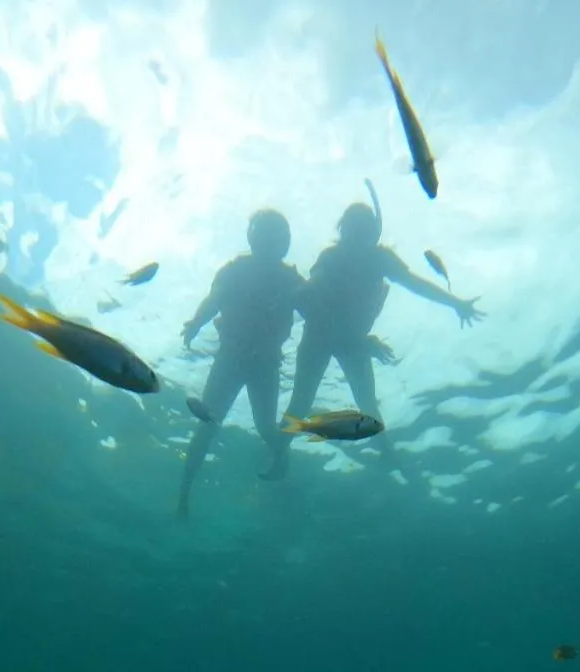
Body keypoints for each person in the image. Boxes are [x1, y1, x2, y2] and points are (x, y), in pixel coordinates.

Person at [261, 199, 485, 480]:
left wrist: (455, 303)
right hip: (322, 333)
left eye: (363, 232)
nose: (357, 240)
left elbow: (415, 284)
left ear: (372, 234)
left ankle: (387, 455)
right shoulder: (333, 257)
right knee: (303, 403)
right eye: (353, 232)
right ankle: (279, 455)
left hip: (352, 339)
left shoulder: (380, 259)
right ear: (344, 232)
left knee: (364, 405)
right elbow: (314, 290)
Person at [177, 209, 304, 516]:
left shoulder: (290, 279)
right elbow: (214, 300)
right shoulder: (244, 272)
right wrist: (196, 322)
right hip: (235, 358)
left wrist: (196, 323)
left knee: (259, 427)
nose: (270, 242)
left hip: (258, 362)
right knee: (211, 426)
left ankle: (185, 493)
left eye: (275, 236)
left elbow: (314, 309)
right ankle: (184, 493)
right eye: (266, 235)